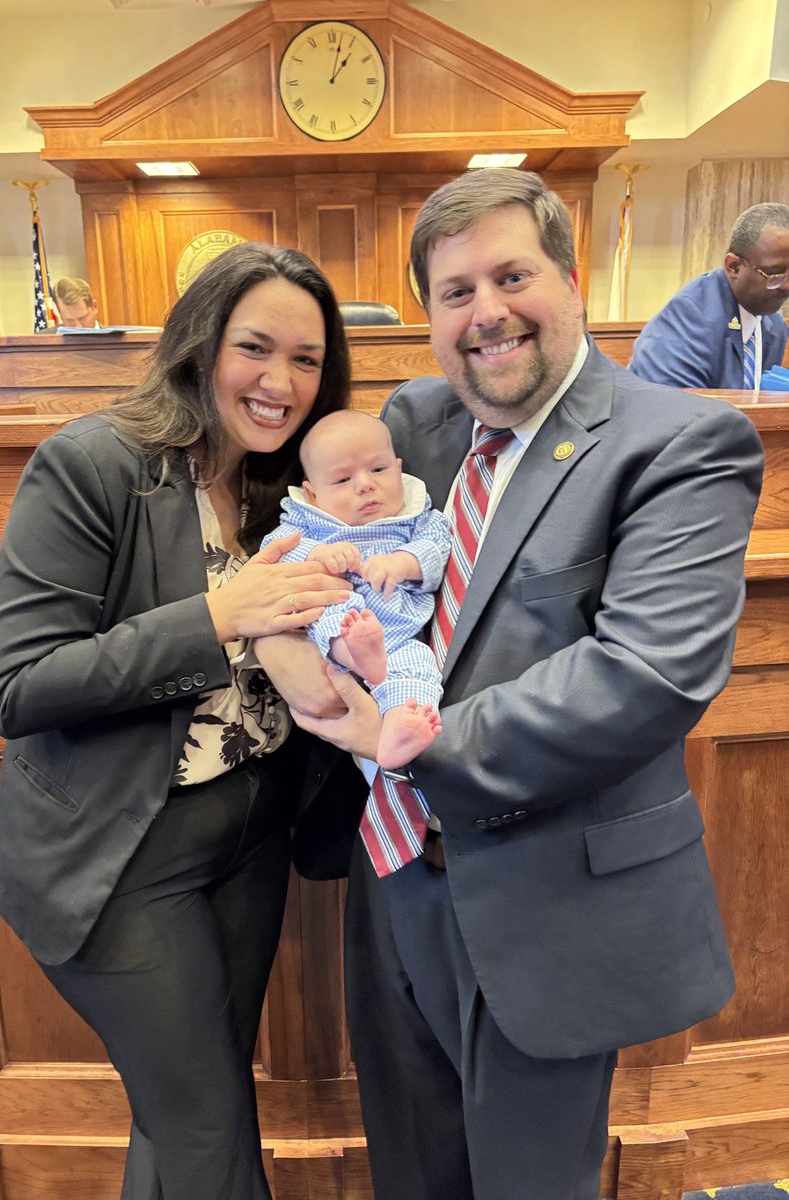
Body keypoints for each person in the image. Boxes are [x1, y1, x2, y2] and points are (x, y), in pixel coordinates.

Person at [262, 169, 764, 1200]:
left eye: (511, 275)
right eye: (455, 291)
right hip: (395, 875)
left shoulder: (677, 442)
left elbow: (649, 673)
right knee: (414, 1173)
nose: (486, 312)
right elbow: (322, 537)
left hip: (548, 894)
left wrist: (407, 737)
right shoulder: (416, 427)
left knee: (530, 1184)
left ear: (570, 279)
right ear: (431, 318)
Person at [0, 242, 359, 1200]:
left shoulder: (288, 486)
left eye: (307, 360)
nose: (280, 382)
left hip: (250, 837)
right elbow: (18, 685)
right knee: (206, 1129)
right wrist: (215, 618)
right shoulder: (95, 463)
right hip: (121, 853)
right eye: (255, 347)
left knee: (192, 1108)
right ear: (200, 344)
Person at [261, 409, 451, 770]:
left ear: (398, 468)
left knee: (418, 667)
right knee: (333, 607)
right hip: (335, 629)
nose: (365, 484)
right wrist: (318, 553)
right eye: (343, 478)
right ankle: (356, 652)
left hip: (399, 636)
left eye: (378, 469)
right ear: (313, 493)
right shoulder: (307, 520)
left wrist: (403, 562)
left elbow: (437, 545)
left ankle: (399, 729)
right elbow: (275, 548)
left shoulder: (415, 514)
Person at [629, 202, 789, 390]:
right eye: (775, 274)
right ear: (733, 266)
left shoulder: (773, 325)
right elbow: (675, 412)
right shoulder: (688, 320)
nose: (786, 287)